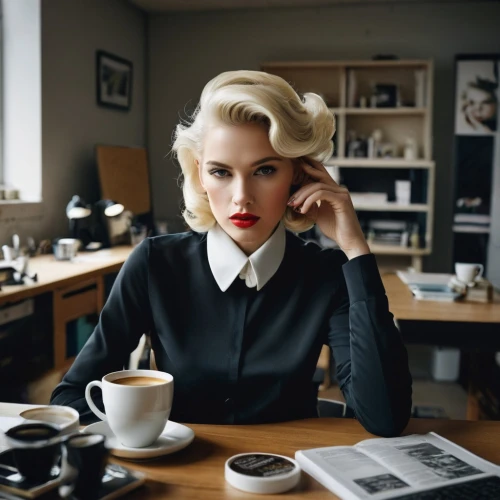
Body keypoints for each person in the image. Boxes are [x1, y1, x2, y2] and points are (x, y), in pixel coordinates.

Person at [51, 70, 412, 437]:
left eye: (265, 170)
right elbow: (71, 399)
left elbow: (385, 416)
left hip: (288, 480)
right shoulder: (154, 263)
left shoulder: (327, 273)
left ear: (299, 175)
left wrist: (355, 248)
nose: (242, 196)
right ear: (200, 174)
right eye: (221, 172)